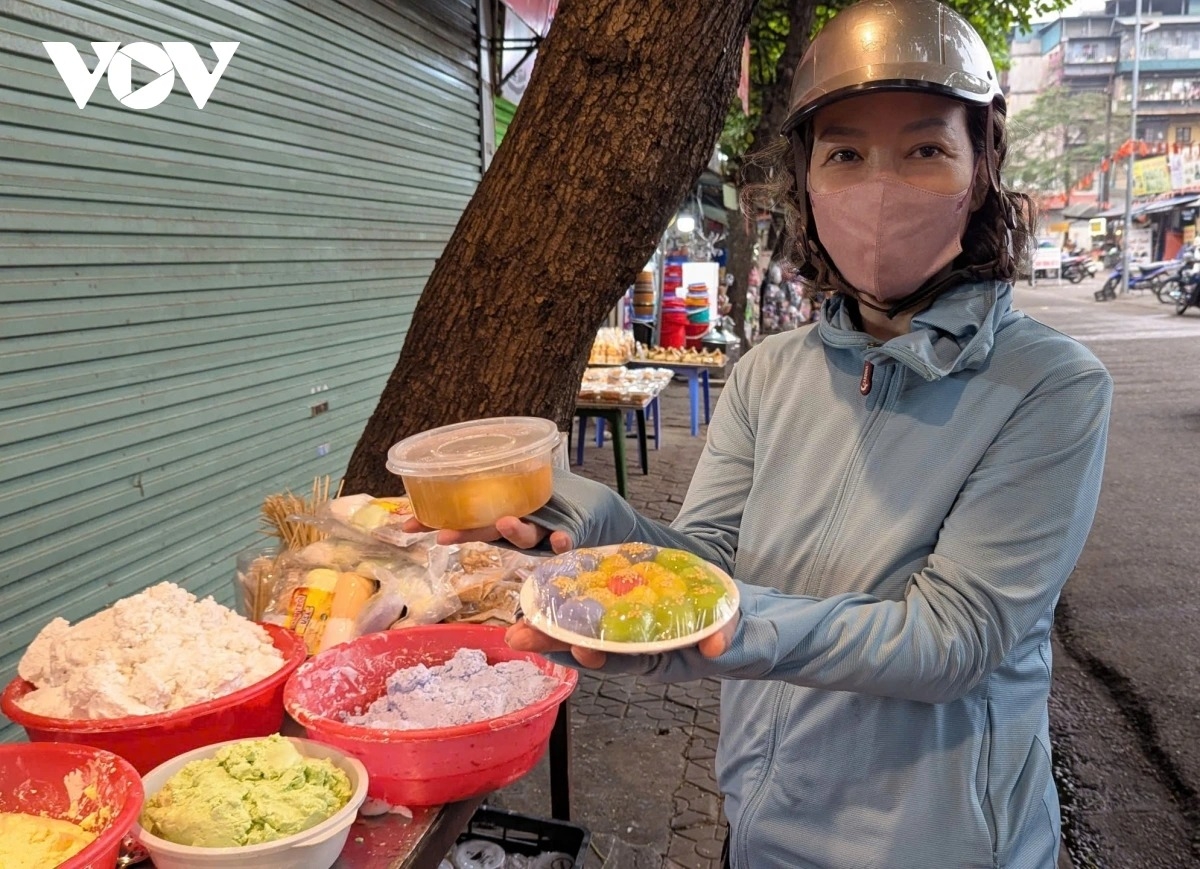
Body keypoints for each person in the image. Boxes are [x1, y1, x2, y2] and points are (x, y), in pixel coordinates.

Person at [417, 1, 1113, 865]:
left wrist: (717, 630)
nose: (880, 186)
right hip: (759, 821)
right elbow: (705, 554)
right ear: (806, 179)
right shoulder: (769, 371)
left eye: (926, 149)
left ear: (983, 165)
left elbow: (952, 639)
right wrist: (590, 523)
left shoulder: (1049, 387)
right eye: (845, 152)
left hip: (941, 844)